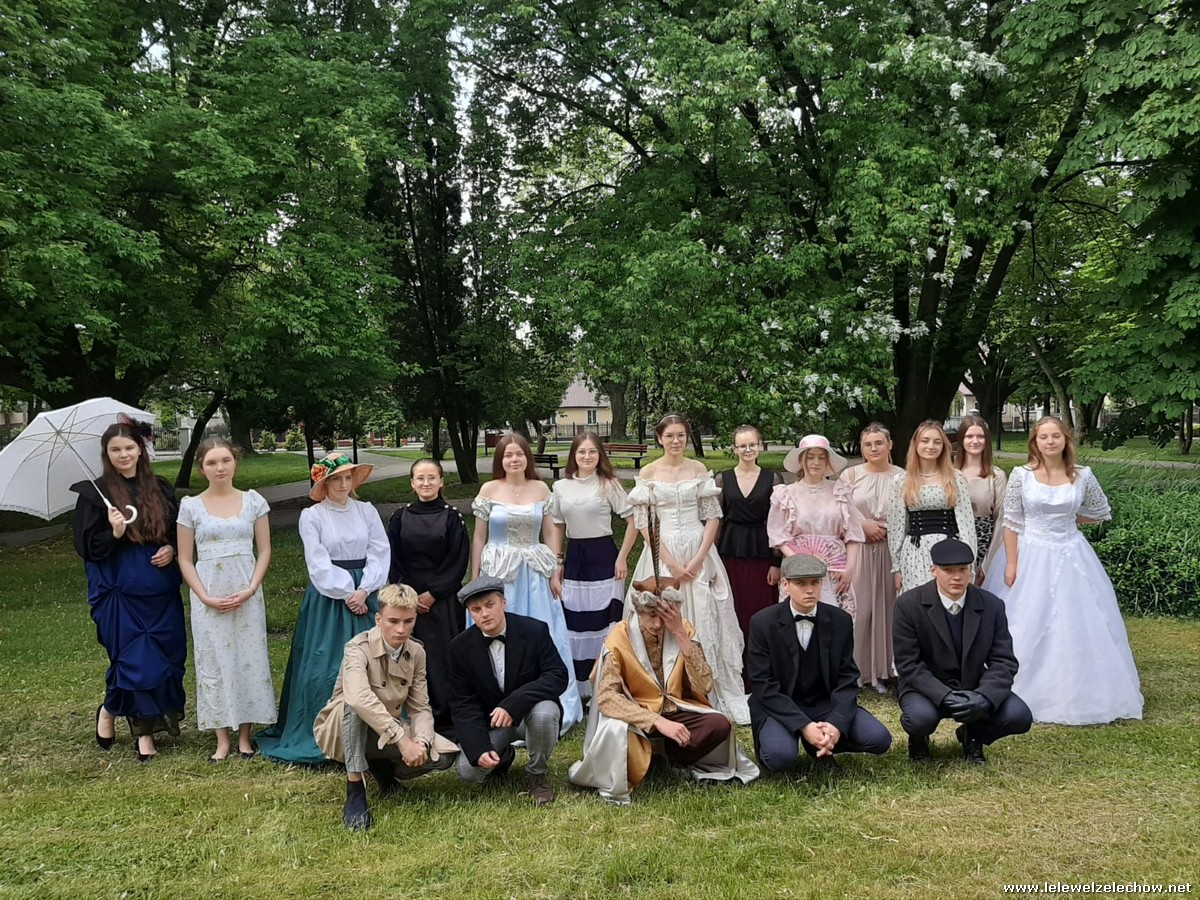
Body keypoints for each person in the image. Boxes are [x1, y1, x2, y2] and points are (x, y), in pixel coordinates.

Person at [982, 417, 1144, 725]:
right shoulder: (1021, 475)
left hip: (1072, 554)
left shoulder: (1083, 475)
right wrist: (1012, 563)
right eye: (1043, 437)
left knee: (1076, 619)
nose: (1050, 441)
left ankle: (1079, 688)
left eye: (1055, 436)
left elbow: (1099, 512)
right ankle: (1011, 686)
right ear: (1035, 442)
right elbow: (1012, 522)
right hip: (1031, 553)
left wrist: (1068, 520)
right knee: (1025, 617)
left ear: (1065, 440)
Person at [569, 585, 759, 805]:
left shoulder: (682, 629)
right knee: (617, 734)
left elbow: (704, 684)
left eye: (664, 616)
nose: (658, 624)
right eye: (651, 616)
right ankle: (646, 758)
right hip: (636, 716)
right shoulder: (619, 636)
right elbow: (606, 698)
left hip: (676, 708)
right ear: (638, 611)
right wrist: (656, 721)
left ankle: (671, 756)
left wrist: (680, 634)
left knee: (719, 725)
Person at [257, 452, 389, 764]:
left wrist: (365, 589)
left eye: (348, 478)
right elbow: (317, 562)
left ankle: (376, 734)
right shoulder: (312, 516)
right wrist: (347, 592)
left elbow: (380, 550)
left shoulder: (367, 511)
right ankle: (324, 733)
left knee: (375, 662)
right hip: (329, 598)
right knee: (324, 665)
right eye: (336, 479)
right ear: (324, 483)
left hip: (366, 592)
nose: (343, 484)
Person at [71, 417, 186, 762]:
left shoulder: (160, 487)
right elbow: (87, 547)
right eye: (115, 449)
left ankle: (109, 708)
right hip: (119, 589)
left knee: (165, 656)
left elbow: (177, 530)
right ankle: (144, 735)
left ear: (140, 450)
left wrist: (172, 548)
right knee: (134, 659)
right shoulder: (95, 495)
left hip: (159, 588)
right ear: (106, 454)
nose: (123, 455)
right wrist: (115, 533)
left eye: (129, 448)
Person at [625, 414, 749, 725]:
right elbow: (643, 523)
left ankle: (709, 685)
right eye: (669, 436)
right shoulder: (649, 472)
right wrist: (669, 562)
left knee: (707, 613)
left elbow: (713, 517)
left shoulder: (698, 470)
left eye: (681, 435)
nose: (676, 441)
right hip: (661, 551)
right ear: (659, 438)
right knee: (660, 614)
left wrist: (698, 559)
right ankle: (667, 685)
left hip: (698, 549)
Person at [314, 584, 458, 830]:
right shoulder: (357, 648)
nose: (401, 629)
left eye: (408, 621)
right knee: (355, 705)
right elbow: (358, 698)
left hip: (386, 729)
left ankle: (384, 773)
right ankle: (355, 788)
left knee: (443, 756)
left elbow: (420, 707)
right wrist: (402, 740)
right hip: (341, 728)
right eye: (393, 621)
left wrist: (421, 742)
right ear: (379, 620)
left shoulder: (417, 652)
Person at [471, 433, 583, 731]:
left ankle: (547, 701)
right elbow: (479, 537)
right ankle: (499, 702)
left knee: (542, 630)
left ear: (527, 457)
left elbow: (550, 532)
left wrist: (556, 570)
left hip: (534, 572)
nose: (514, 459)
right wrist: (475, 577)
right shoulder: (489, 489)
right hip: (499, 571)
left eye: (519, 454)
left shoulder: (541, 489)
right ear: (501, 459)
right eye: (508, 455)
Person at [177, 438, 276, 762]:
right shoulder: (190, 506)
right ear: (202, 468)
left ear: (235, 462)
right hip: (209, 595)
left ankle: (245, 736)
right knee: (214, 661)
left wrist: (251, 588)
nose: (219, 468)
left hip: (246, 594)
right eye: (211, 462)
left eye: (225, 460)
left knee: (249, 659)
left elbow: (265, 550)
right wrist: (204, 596)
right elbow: (185, 558)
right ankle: (222, 738)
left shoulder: (254, 501)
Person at [747, 555, 892, 773]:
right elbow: (762, 685)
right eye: (801, 583)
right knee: (778, 757)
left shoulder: (840, 620)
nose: (809, 590)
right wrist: (804, 726)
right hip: (780, 705)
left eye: (815, 582)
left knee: (879, 739)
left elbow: (847, 677)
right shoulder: (762, 622)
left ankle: (820, 743)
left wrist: (836, 724)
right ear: (785, 584)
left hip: (824, 703)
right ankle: (801, 739)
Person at [893, 539, 1032, 765]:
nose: (956, 577)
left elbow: (1004, 661)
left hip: (973, 685)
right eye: (948, 570)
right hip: (926, 688)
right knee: (920, 718)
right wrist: (944, 695)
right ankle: (918, 739)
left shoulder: (992, 605)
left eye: (962, 569)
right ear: (933, 570)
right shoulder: (908, 605)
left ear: (971, 571)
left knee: (1019, 716)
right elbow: (908, 664)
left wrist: (984, 696)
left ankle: (973, 735)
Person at [450, 576, 569, 807]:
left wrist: (514, 703)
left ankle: (537, 775)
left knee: (545, 713)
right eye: (476, 610)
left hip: (530, 715)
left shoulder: (534, 630)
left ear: (503, 602)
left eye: (490, 605)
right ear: (470, 613)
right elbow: (463, 703)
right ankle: (503, 756)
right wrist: (479, 748)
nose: (484, 614)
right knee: (467, 771)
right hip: (493, 723)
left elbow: (557, 676)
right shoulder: (460, 647)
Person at [549, 433, 637, 697]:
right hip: (576, 557)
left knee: (604, 620)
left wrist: (622, 558)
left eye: (592, 452)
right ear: (573, 455)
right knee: (576, 620)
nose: (587, 457)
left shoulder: (608, 484)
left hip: (604, 557)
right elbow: (557, 525)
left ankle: (608, 683)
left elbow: (633, 520)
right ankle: (581, 685)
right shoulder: (560, 487)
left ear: (600, 455)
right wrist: (557, 562)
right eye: (582, 452)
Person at [386, 458, 470, 733]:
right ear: (412, 483)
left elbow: (458, 560)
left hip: (442, 601)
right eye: (420, 478)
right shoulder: (400, 517)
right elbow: (393, 558)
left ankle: (444, 717)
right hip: (407, 602)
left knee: (441, 659)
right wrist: (409, 596)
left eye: (431, 478)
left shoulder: (452, 517)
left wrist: (433, 593)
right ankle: (409, 713)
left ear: (441, 481)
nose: (426, 483)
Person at [767, 433, 864, 620]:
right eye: (810, 457)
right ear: (801, 460)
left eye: (821, 457)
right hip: (798, 567)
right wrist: (800, 561)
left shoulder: (840, 491)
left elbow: (853, 534)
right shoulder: (786, 494)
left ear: (828, 461)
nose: (816, 462)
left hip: (836, 570)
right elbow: (777, 534)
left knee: (836, 622)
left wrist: (850, 568)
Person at [839, 423, 903, 692]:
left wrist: (886, 529)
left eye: (879, 443)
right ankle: (857, 671)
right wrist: (863, 525)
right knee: (860, 609)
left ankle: (886, 670)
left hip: (891, 549)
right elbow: (842, 509)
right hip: (860, 549)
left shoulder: (902, 476)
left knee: (889, 608)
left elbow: (907, 511)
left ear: (890, 445)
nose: (874, 448)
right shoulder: (850, 475)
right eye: (868, 444)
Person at [716, 425, 782, 687]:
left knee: (761, 612)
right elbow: (717, 522)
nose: (747, 449)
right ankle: (736, 674)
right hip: (731, 553)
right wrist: (713, 561)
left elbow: (779, 522)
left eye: (752, 444)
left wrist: (777, 562)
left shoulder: (773, 478)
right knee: (734, 612)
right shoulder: (722, 479)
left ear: (760, 445)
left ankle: (763, 673)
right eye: (742, 445)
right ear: (734, 449)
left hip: (762, 555)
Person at [887, 420, 976, 595]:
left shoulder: (955, 478)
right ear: (916, 444)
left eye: (937, 442)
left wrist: (969, 562)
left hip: (950, 550)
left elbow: (966, 524)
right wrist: (896, 567)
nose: (931, 446)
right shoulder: (901, 481)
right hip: (915, 551)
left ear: (944, 446)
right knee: (918, 601)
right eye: (925, 441)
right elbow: (896, 526)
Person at [953, 415, 1008, 582]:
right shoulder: (949, 474)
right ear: (961, 440)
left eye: (980, 436)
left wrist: (987, 563)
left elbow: (1001, 520)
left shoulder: (997, 476)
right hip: (953, 542)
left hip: (984, 544)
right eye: (969, 436)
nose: (975, 441)